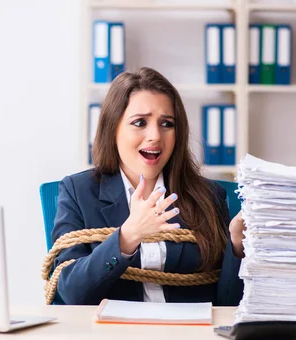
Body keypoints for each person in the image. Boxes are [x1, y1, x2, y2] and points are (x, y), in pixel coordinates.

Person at [50, 66, 246, 306]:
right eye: (140, 122)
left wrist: (238, 246)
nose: (155, 135)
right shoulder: (77, 192)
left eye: (167, 124)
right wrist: (128, 235)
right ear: (113, 129)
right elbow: (71, 293)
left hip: (190, 338)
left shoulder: (208, 196)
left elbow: (228, 304)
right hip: (112, 339)